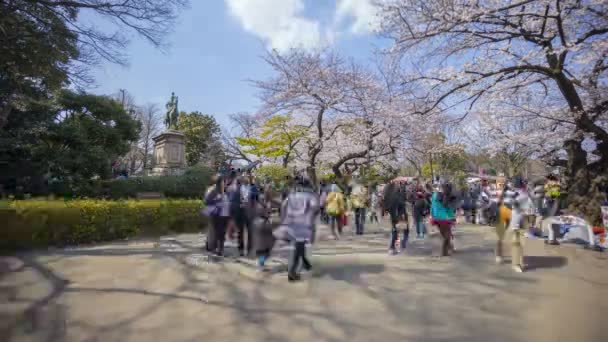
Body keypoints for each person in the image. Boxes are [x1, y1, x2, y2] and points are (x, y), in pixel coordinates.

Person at [281, 176, 320, 282]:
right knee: (299, 246)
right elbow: (315, 208)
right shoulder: (310, 195)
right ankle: (292, 271)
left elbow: (283, 207)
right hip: (304, 223)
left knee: (299, 245)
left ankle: (305, 263)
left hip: (292, 222)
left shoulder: (290, 195)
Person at [497, 176, 533, 272]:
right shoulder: (508, 191)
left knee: (519, 242)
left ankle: (518, 263)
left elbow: (529, 206)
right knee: (504, 238)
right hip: (507, 216)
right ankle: (500, 255)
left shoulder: (524, 193)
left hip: (519, 220)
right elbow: (504, 203)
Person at [204, 176, 231, 257]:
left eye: (225, 182)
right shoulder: (214, 191)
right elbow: (207, 201)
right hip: (217, 215)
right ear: (219, 183)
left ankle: (220, 249)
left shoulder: (226, 191)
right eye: (223, 182)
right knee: (217, 232)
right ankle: (216, 249)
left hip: (225, 215)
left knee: (222, 233)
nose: (225, 183)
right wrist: (217, 200)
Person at [431, 182, 458, 256]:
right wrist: (452, 217)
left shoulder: (435, 195)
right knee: (447, 236)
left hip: (438, 218)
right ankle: (444, 251)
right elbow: (447, 207)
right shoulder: (444, 195)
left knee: (445, 235)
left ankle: (449, 248)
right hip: (444, 218)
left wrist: (432, 215)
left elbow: (432, 206)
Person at [384, 181, 409, 254]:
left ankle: (393, 247)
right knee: (405, 230)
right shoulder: (397, 195)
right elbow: (401, 204)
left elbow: (386, 207)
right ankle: (400, 244)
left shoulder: (387, 195)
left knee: (395, 231)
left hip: (393, 215)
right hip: (400, 215)